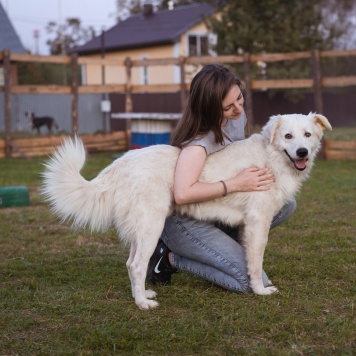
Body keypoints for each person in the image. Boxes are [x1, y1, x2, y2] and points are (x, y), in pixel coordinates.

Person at [146, 63, 296, 292]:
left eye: (239, 98)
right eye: (228, 107)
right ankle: (168, 258)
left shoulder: (237, 117)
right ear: (210, 109)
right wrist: (236, 183)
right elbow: (183, 193)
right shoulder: (199, 142)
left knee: (285, 204)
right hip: (183, 217)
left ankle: (218, 252)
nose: (238, 109)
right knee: (250, 282)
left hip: (215, 207)